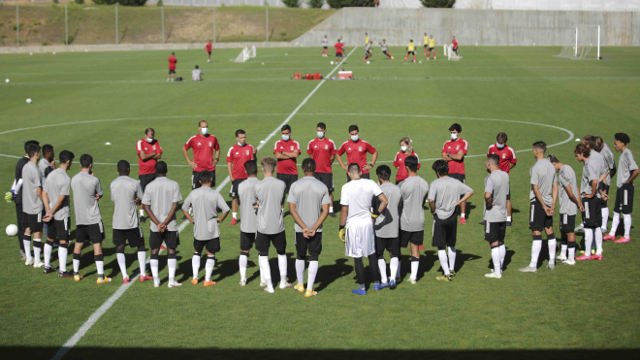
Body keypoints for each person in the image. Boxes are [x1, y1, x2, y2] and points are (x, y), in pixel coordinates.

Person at [339, 163, 388, 295]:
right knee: (372, 254)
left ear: (349, 173)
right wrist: (376, 214)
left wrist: (341, 227)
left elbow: (344, 210)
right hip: (367, 223)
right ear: (360, 172)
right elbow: (384, 201)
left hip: (353, 225)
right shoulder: (370, 183)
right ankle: (377, 283)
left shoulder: (346, 187)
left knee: (358, 257)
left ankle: (362, 287)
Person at [288, 158, 331, 298]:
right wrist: (313, 228)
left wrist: (304, 227)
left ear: (302, 168)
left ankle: (300, 284)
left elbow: (292, 209)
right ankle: (309, 289)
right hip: (316, 229)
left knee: (300, 255)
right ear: (315, 168)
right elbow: (325, 210)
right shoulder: (322, 186)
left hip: (300, 229)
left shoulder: (295, 185)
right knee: (314, 256)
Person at [428, 160, 474, 282]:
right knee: (451, 244)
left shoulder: (435, 183)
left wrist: (433, 210)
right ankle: (452, 269)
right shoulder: (456, 182)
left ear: (437, 172)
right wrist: (459, 202)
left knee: (441, 246)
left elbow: (431, 200)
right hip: (452, 216)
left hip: (440, 216)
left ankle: (447, 273)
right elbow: (471, 191)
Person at [182, 172, 230, 287]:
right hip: (211, 229)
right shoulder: (215, 194)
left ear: (199, 181)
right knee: (211, 253)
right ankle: (207, 280)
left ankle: (194, 278)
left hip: (198, 228)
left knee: (197, 252)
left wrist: (191, 219)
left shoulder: (194, 193)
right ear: (211, 179)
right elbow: (226, 209)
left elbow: (184, 208)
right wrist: (221, 219)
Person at [70, 154, 111, 284]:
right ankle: (100, 276)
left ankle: (76, 273)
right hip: (93, 218)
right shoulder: (94, 180)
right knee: (97, 244)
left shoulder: (74, 179)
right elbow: (99, 193)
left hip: (80, 218)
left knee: (78, 244)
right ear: (91, 165)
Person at [519, 142, 558, 272]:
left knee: (536, 231)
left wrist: (542, 205)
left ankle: (533, 265)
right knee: (549, 229)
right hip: (549, 201)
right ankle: (552, 261)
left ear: (536, 151)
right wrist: (552, 204)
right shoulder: (551, 166)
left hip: (538, 203)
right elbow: (555, 186)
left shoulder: (536, 167)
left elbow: (535, 188)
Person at [142, 161, 182, 288]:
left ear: (155, 170)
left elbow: (146, 207)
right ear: (166, 170)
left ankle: (156, 281)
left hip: (155, 226)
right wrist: (165, 223)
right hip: (170, 224)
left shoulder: (149, 186)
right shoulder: (174, 184)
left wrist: (158, 223)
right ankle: (171, 281)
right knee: (171, 250)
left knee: (154, 251)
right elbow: (175, 205)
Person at [110, 160, 150, 284]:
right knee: (141, 245)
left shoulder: (113, 184)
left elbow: (114, 199)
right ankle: (143, 274)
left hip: (117, 221)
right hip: (132, 221)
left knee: (120, 247)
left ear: (118, 170)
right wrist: (136, 201)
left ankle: (125, 276)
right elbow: (141, 199)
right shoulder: (135, 183)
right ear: (128, 169)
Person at [254, 157, 288, 293]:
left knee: (263, 254)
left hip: (263, 226)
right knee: (281, 253)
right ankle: (283, 282)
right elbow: (281, 202)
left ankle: (269, 286)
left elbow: (255, 203)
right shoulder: (281, 184)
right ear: (274, 169)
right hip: (278, 225)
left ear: (262, 169)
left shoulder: (257, 185)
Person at [42, 150, 74, 277]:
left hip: (51, 213)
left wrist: (48, 210)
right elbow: (61, 199)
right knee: (63, 241)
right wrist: (53, 212)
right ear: (68, 162)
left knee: (49, 239)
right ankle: (62, 270)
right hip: (61, 214)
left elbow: (44, 193)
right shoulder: (66, 178)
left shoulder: (51, 174)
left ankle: (47, 266)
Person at [399, 156, 430, 284]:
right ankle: (413, 277)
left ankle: (397, 275)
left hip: (405, 222)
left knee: (397, 249)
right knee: (415, 249)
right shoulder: (424, 183)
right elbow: (423, 201)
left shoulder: (403, 184)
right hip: (419, 221)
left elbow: (398, 203)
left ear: (406, 167)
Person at [6, 140, 39, 260]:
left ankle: (26, 250)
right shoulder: (25, 163)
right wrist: (13, 192)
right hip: (23, 199)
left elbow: (17, 180)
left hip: (21, 198)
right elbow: (20, 180)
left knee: (25, 225)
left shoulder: (22, 162)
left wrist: (12, 191)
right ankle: (24, 251)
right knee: (24, 225)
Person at [549, 155, 582, 265]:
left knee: (569, 231)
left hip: (568, 207)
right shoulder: (569, 168)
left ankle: (571, 259)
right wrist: (579, 201)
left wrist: (577, 203)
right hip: (565, 207)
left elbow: (569, 190)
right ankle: (563, 254)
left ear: (554, 164)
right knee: (563, 229)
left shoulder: (563, 172)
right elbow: (576, 186)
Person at [373, 165, 402, 290]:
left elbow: (373, 208)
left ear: (379, 176)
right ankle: (393, 278)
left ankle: (384, 279)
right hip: (394, 227)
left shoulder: (377, 190)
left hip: (380, 228)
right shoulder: (398, 189)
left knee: (379, 255)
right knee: (394, 254)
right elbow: (401, 207)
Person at [606, 133, 638, 243]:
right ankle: (612, 234)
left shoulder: (627, 153)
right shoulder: (623, 154)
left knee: (626, 212)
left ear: (622, 143)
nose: (614, 146)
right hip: (621, 188)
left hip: (626, 188)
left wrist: (627, 182)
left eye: (616, 143)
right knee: (616, 211)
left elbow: (636, 170)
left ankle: (626, 236)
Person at [574, 144, 604, 261]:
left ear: (582, 154)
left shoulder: (588, 165)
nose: (576, 158)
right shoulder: (592, 163)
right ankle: (598, 252)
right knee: (596, 226)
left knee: (587, 226)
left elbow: (594, 180)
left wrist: (591, 194)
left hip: (589, 199)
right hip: (596, 198)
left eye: (577, 155)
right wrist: (599, 192)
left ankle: (587, 253)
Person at [482, 155, 508, 279]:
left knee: (493, 243)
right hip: (503, 213)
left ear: (489, 164)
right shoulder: (505, 175)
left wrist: (488, 203)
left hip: (492, 215)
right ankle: (500, 267)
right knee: (501, 241)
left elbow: (487, 195)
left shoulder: (491, 178)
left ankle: (497, 272)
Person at [21, 143, 45, 268]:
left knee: (28, 229)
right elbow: (38, 190)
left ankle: (28, 258)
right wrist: (45, 204)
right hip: (36, 206)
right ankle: (36, 260)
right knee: (38, 231)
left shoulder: (25, 167)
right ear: (36, 153)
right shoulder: (35, 170)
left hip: (27, 205)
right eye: (39, 152)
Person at [237, 160, 260, 286]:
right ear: (257, 170)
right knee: (262, 252)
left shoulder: (241, 185)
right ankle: (263, 279)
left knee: (244, 251)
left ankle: (243, 278)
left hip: (245, 224)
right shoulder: (261, 185)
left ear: (245, 171)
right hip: (259, 225)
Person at [307, 122, 337, 216]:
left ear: (325, 131)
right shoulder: (311, 142)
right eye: (318, 130)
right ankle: (316, 209)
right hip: (315, 172)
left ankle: (331, 210)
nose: (319, 132)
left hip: (327, 171)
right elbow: (310, 156)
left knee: (329, 191)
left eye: (321, 130)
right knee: (315, 192)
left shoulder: (330, 142)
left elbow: (333, 155)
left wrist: (327, 164)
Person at [487, 132, 517, 225]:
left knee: (506, 198)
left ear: (505, 142)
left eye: (502, 142)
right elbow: (488, 160)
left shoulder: (509, 150)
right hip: (492, 176)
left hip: (504, 177)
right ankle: (489, 216)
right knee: (490, 196)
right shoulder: (491, 148)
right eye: (498, 142)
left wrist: (505, 170)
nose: (500, 144)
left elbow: (513, 162)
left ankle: (508, 218)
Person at [227, 129, 256, 225]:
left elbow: (253, 162)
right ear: (237, 138)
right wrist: (231, 176)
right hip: (237, 177)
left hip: (248, 177)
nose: (243, 139)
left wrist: (255, 154)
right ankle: (234, 217)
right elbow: (229, 163)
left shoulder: (250, 147)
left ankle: (252, 215)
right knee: (235, 198)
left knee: (251, 197)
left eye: (244, 137)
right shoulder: (232, 149)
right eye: (241, 138)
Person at [442, 123, 469, 224]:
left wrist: (449, 155)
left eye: (454, 132)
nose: (452, 134)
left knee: (462, 194)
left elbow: (460, 157)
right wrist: (453, 155)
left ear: (459, 133)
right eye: (451, 132)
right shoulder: (446, 143)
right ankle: (449, 213)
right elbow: (443, 157)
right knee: (448, 194)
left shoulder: (463, 142)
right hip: (448, 172)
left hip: (459, 172)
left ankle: (462, 216)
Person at [183, 120, 220, 190]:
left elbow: (217, 149)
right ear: (199, 128)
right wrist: (189, 161)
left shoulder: (213, 138)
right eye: (203, 127)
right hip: (198, 170)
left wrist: (216, 160)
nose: (205, 128)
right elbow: (184, 148)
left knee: (209, 192)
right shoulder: (193, 139)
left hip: (210, 169)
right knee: (195, 191)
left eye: (206, 127)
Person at [137, 128, 162, 222]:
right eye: (150, 136)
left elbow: (159, 155)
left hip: (154, 172)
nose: (151, 138)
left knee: (155, 193)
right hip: (144, 173)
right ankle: (142, 215)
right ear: (145, 135)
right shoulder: (140, 143)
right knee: (143, 194)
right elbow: (142, 157)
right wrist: (153, 153)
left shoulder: (156, 142)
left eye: (152, 136)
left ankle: (154, 213)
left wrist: (149, 154)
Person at [273, 124, 301, 201]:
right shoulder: (278, 143)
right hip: (281, 173)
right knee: (281, 194)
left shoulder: (295, 143)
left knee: (293, 194)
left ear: (290, 133)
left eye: (286, 133)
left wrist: (284, 152)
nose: (285, 135)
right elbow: (278, 156)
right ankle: (281, 211)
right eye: (283, 133)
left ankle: (293, 210)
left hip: (293, 173)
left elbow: (295, 154)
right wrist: (290, 155)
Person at [595, 136, 616, 233]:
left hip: (604, 180)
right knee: (596, 200)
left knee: (603, 202)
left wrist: (607, 180)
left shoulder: (607, 153)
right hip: (598, 179)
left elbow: (613, 168)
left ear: (601, 145)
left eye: (597, 147)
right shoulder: (599, 149)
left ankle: (604, 226)